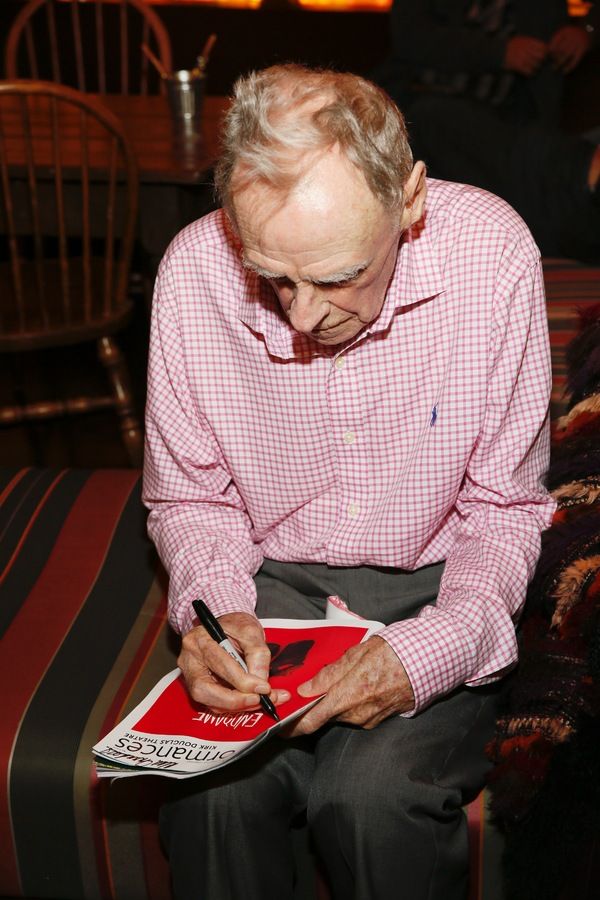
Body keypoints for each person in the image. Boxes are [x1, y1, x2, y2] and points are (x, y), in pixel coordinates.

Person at [143, 64, 556, 899]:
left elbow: (504, 511)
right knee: (211, 800)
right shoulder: (194, 272)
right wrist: (219, 611)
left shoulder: (495, 254)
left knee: (368, 801)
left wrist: (431, 649)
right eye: (273, 276)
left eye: (336, 278)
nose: (300, 319)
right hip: (269, 586)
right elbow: (190, 497)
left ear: (409, 201)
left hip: (444, 585)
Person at [375, 0, 600, 262]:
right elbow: (410, 34)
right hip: (426, 105)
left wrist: (587, 30)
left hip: (518, 114)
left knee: (535, 169)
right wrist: (499, 52)